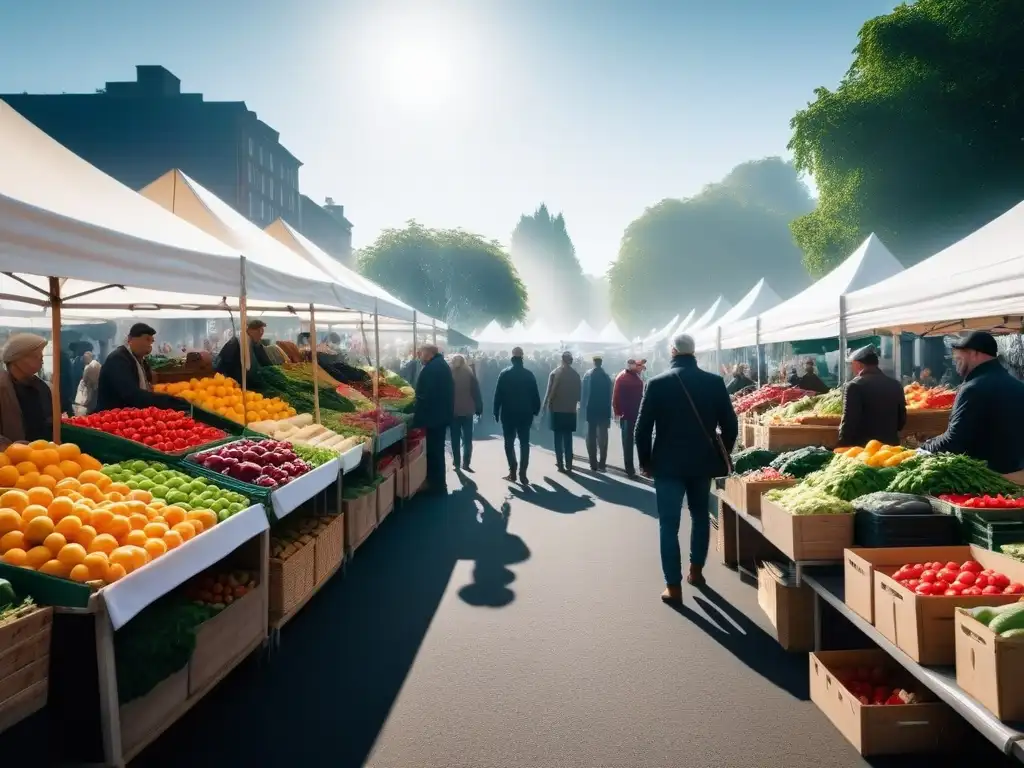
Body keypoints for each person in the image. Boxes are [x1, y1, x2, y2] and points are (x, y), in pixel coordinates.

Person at [635, 333, 737, 603]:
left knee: (668, 524)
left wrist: (645, 461)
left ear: (672, 351)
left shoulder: (656, 384)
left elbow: (641, 430)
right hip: (702, 463)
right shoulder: (714, 383)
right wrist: (719, 452)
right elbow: (731, 425)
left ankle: (673, 586)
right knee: (700, 515)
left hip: (667, 464)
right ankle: (697, 571)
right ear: (695, 352)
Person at [922, 332, 1024, 478]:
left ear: (975, 353)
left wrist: (925, 447)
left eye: (959, 355)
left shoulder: (973, 388)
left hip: (985, 480)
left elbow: (954, 442)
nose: (955, 360)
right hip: (1017, 476)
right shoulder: (1018, 386)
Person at [95, 323, 185, 413]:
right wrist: (171, 401)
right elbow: (133, 395)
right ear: (130, 339)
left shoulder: (140, 360)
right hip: (111, 418)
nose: (150, 345)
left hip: (129, 416)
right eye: (147, 339)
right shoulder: (118, 359)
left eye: (151, 341)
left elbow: (147, 384)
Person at [837, 345, 906, 448]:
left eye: (852, 364)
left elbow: (849, 421)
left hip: (864, 450)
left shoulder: (855, 386)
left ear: (858, 365)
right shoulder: (895, 384)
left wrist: (842, 445)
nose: (852, 368)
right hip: (890, 448)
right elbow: (901, 421)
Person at [493, 347, 541, 484]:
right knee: (524, 444)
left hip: (508, 414)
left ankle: (512, 470)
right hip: (525, 414)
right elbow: (535, 395)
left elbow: (498, 394)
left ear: (512, 358)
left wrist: (496, 411)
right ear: (522, 358)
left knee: (509, 443)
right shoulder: (529, 374)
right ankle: (523, 474)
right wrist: (535, 411)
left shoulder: (504, 374)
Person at [413, 344, 454, 495]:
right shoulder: (440, 365)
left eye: (421, 353)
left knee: (434, 451)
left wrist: (416, 416)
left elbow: (426, 395)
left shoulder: (433, 369)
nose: (419, 355)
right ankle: (438, 482)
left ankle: (435, 484)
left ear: (429, 353)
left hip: (434, 417)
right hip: (440, 416)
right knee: (437, 450)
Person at [0, 334, 54, 447]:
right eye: (35, 356)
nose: (42, 361)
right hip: (10, 459)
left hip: (43, 454)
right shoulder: (3, 388)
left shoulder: (41, 387)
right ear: (15, 359)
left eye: (42, 356)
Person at [543, 350, 582, 473]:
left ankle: (560, 463)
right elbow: (579, 395)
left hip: (557, 410)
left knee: (557, 438)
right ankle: (569, 463)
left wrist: (544, 406)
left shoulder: (555, 373)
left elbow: (549, 392)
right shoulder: (576, 375)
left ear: (561, 359)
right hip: (570, 411)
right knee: (568, 438)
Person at [449, 354, 483, 472]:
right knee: (467, 439)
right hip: (468, 411)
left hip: (453, 412)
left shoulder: (449, 374)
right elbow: (476, 392)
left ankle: (457, 462)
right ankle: (466, 463)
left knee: (455, 439)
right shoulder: (469, 374)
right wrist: (479, 408)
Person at [612, 358, 645, 477]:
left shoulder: (623, 377)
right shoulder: (632, 379)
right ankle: (634, 468)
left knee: (627, 442)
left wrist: (617, 411)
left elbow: (615, 396)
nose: (641, 369)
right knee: (632, 441)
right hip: (631, 414)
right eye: (639, 366)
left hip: (626, 414)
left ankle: (630, 467)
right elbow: (616, 396)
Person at [215, 319, 273, 384]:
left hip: (251, 383)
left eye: (262, 331)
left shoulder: (257, 344)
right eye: (258, 330)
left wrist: (272, 371)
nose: (261, 333)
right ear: (250, 330)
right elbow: (222, 364)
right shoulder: (235, 343)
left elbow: (265, 361)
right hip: (234, 383)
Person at [582, 354, 613, 471]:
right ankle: (602, 462)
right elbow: (610, 395)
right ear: (601, 363)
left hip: (591, 410)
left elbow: (583, 394)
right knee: (603, 438)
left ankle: (593, 463)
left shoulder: (587, 375)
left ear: (594, 362)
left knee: (591, 437)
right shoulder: (606, 377)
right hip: (604, 411)